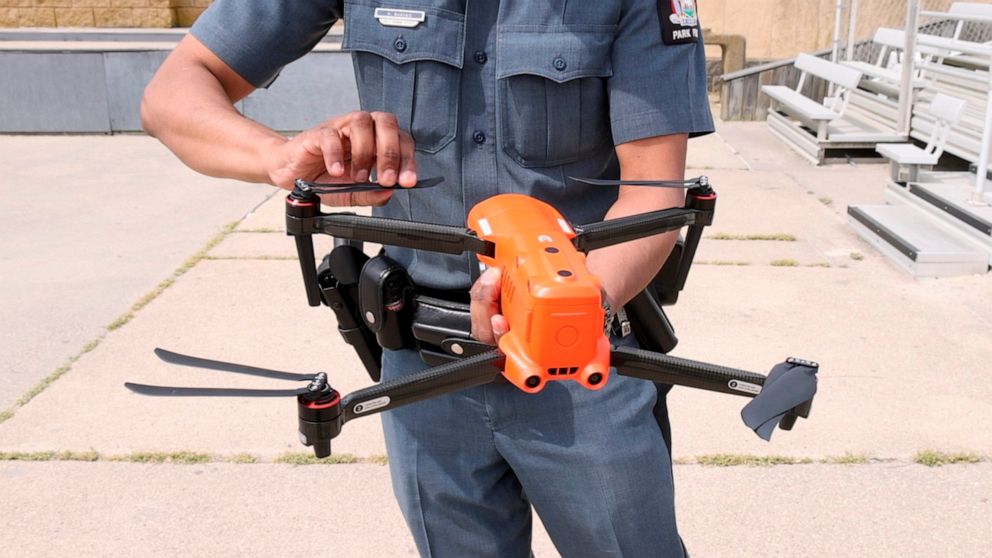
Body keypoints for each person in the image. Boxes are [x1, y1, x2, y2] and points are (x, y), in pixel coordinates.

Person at [141, 1, 714, 556]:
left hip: (575, 362)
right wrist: (279, 155)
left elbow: (652, 195)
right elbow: (172, 96)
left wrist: (562, 305)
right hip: (423, 370)